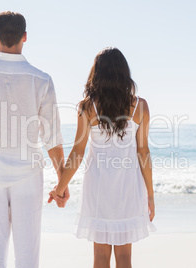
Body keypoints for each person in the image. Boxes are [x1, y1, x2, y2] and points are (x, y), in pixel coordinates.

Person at [0, 11, 69, 268]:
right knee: (28, 257)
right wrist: (61, 179)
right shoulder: (41, 80)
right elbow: (51, 136)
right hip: (29, 177)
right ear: (25, 37)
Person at [49, 47, 156, 268]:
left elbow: (77, 152)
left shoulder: (87, 107)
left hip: (98, 189)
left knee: (99, 256)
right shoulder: (140, 106)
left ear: (97, 74)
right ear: (124, 74)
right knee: (125, 257)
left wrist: (60, 188)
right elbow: (143, 152)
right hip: (129, 188)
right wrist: (150, 194)